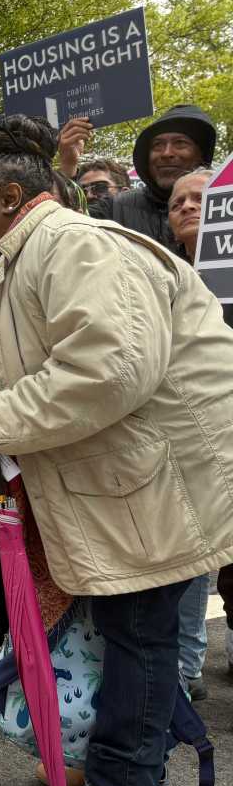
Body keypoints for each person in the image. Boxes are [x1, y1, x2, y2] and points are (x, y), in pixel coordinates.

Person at [0, 114, 233, 786]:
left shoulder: (75, 246)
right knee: (126, 632)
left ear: (10, 198)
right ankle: (108, 767)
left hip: (154, 483)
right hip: (129, 479)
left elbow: (108, 370)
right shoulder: (29, 255)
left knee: (139, 636)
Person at [165, 167, 224, 696]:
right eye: (177, 201)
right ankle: (185, 668)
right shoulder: (159, 273)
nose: (186, 206)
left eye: (199, 198)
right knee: (192, 553)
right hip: (188, 436)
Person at [58, 106, 216, 253]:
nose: (166, 153)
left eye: (180, 143)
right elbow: (63, 226)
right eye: (158, 145)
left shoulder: (223, 201)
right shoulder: (117, 208)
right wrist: (67, 164)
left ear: (201, 155)